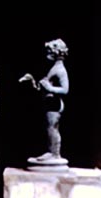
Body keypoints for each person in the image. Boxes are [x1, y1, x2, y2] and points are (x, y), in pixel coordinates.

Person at [19, 38, 69, 166]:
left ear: (57, 54)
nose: (47, 55)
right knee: (49, 128)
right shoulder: (54, 69)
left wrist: (50, 88)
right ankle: (50, 152)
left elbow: (65, 89)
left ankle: (55, 153)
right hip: (50, 103)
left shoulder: (60, 71)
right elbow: (44, 86)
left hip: (54, 105)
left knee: (53, 128)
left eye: (49, 52)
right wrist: (32, 81)